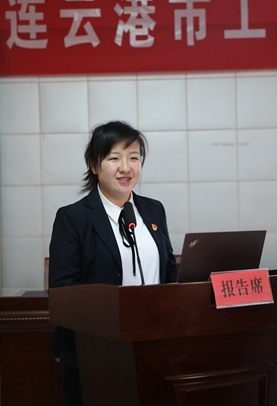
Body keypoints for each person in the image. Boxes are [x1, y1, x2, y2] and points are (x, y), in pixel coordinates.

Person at [48, 120, 179, 405]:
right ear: (94, 165)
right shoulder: (73, 218)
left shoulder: (153, 210)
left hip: (154, 343)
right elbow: (62, 288)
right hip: (95, 349)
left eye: (134, 158)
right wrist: (120, 310)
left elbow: (168, 271)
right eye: (114, 158)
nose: (126, 168)